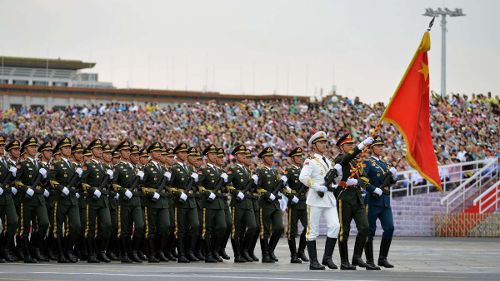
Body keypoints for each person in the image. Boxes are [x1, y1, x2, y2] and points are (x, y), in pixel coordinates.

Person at [298, 131, 343, 270]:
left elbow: (335, 180)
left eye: (325, 142)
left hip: (329, 199)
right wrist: (317, 186)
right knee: (312, 231)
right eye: (321, 142)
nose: (324, 145)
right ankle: (313, 261)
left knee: (335, 226)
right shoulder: (310, 161)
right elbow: (303, 177)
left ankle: (327, 257)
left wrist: (339, 174)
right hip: (316, 199)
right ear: (314, 145)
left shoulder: (329, 161)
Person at [335, 133, 379, 270]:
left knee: (365, 227)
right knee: (344, 231)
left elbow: (365, 178)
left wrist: (358, 181)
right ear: (341, 147)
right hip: (345, 197)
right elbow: (347, 158)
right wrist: (361, 145)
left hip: (357, 197)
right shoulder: (340, 158)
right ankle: (344, 261)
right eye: (348, 145)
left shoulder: (356, 161)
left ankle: (357, 257)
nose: (351, 146)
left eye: (352, 144)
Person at [362, 135, 397, 269]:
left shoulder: (385, 164)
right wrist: (373, 189)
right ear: (372, 148)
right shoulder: (368, 163)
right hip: (372, 200)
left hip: (385, 201)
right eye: (378, 146)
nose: (381, 148)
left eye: (382, 145)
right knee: (370, 230)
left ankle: (383, 258)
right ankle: (370, 260)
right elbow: (363, 180)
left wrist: (394, 176)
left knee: (390, 227)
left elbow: (390, 182)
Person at [15, 137, 50, 263]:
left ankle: (33, 246)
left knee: (44, 223)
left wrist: (45, 177)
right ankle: (27, 254)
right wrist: (25, 189)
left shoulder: (39, 164)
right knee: (24, 228)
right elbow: (17, 182)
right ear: (25, 149)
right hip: (27, 199)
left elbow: (44, 182)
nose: (34, 149)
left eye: (35, 147)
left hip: (39, 198)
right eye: (31, 147)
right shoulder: (22, 164)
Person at [47, 137, 82, 263]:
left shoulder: (73, 166)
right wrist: (61, 188)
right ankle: (61, 253)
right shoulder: (55, 164)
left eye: (69, 147)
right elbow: (51, 179)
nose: (68, 150)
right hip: (60, 199)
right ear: (60, 149)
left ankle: (67, 249)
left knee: (76, 226)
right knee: (57, 228)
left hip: (72, 199)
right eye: (66, 147)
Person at [80, 139, 113, 263]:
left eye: (101, 149)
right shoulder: (87, 165)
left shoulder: (104, 166)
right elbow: (82, 182)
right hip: (92, 200)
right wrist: (92, 190)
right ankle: (91, 253)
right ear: (92, 150)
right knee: (91, 228)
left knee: (107, 225)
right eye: (98, 149)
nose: (100, 151)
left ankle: (101, 250)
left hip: (103, 200)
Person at [112, 140, 144, 263]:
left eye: (128, 151)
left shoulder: (136, 169)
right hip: (124, 201)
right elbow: (114, 184)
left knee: (140, 226)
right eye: (125, 150)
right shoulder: (118, 168)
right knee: (125, 229)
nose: (127, 152)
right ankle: (125, 254)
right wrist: (123, 191)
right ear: (120, 152)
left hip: (136, 200)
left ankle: (134, 250)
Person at [225, 144, 258, 263]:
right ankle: (237, 254)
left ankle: (244, 250)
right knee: (237, 230)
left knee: (253, 227)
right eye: (241, 154)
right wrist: (235, 192)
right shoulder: (232, 169)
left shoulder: (247, 170)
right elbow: (227, 184)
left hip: (248, 202)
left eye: (245, 154)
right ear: (236, 156)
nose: (244, 156)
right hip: (238, 202)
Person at [196, 144, 227, 263]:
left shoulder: (220, 171)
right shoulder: (203, 170)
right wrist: (207, 193)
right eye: (212, 154)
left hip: (219, 203)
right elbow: (198, 185)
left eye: (216, 154)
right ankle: (208, 253)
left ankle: (215, 250)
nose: (215, 156)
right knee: (208, 230)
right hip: (208, 203)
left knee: (221, 227)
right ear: (207, 156)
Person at [169, 142, 199, 263]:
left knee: (195, 225)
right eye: (183, 152)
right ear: (177, 154)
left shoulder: (189, 168)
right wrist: (178, 193)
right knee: (181, 228)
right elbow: (169, 186)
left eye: (186, 152)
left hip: (191, 201)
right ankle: (181, 253)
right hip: (180, 202)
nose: (185, 154)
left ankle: (189, 251)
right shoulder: (174, 169)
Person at [256, 146, 284, 263]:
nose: (271, 158)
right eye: (268, 156)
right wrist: (268, 194)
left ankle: (271, 250)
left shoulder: (275, 171)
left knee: (278, 227)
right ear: (263, 158)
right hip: (265, 203)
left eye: (272, 156)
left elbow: (279, 186)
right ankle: (265, 254)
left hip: (275, 203)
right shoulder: (261, 171)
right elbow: (258, 187)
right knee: (265, 230)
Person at [283, 147, 308, 263]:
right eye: (297, 156)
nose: (300, 158)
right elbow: (281, 185)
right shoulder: (289, 171)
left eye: (301, 156)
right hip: (294, 202)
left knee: (308, 228)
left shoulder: (304, 170)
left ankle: (301, 251)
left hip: (303, 201)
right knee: (292, 231)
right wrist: (290, 196)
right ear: (292, 159)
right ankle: (293, 255)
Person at [0, 136, 18, 262]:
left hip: (7, 195)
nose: (2, 148)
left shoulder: (6, 161)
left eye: (2, 145)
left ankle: (5, 248)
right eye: (0, 146)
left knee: (13, 222)